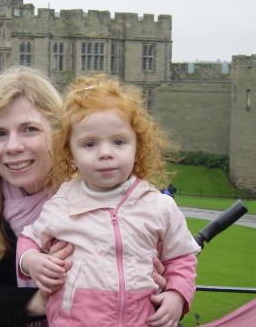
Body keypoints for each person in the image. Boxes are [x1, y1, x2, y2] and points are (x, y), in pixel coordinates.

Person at [0, 67, 169, 327]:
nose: (13, 146)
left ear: (59, 134)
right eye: (0, 134)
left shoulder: (99, 192)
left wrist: (163, 291)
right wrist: (37, 303)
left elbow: (169, 274)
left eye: (29, 129)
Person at [18, 75, 201, 327]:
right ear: (71, 154)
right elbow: (28, 239)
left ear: (138, 146)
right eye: (90, 144)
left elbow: (181, 258)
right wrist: (32, 262)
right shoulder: (62, 203)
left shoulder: (159, 206)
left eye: (118, 141)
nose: (106, 153)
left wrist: (177, 294)